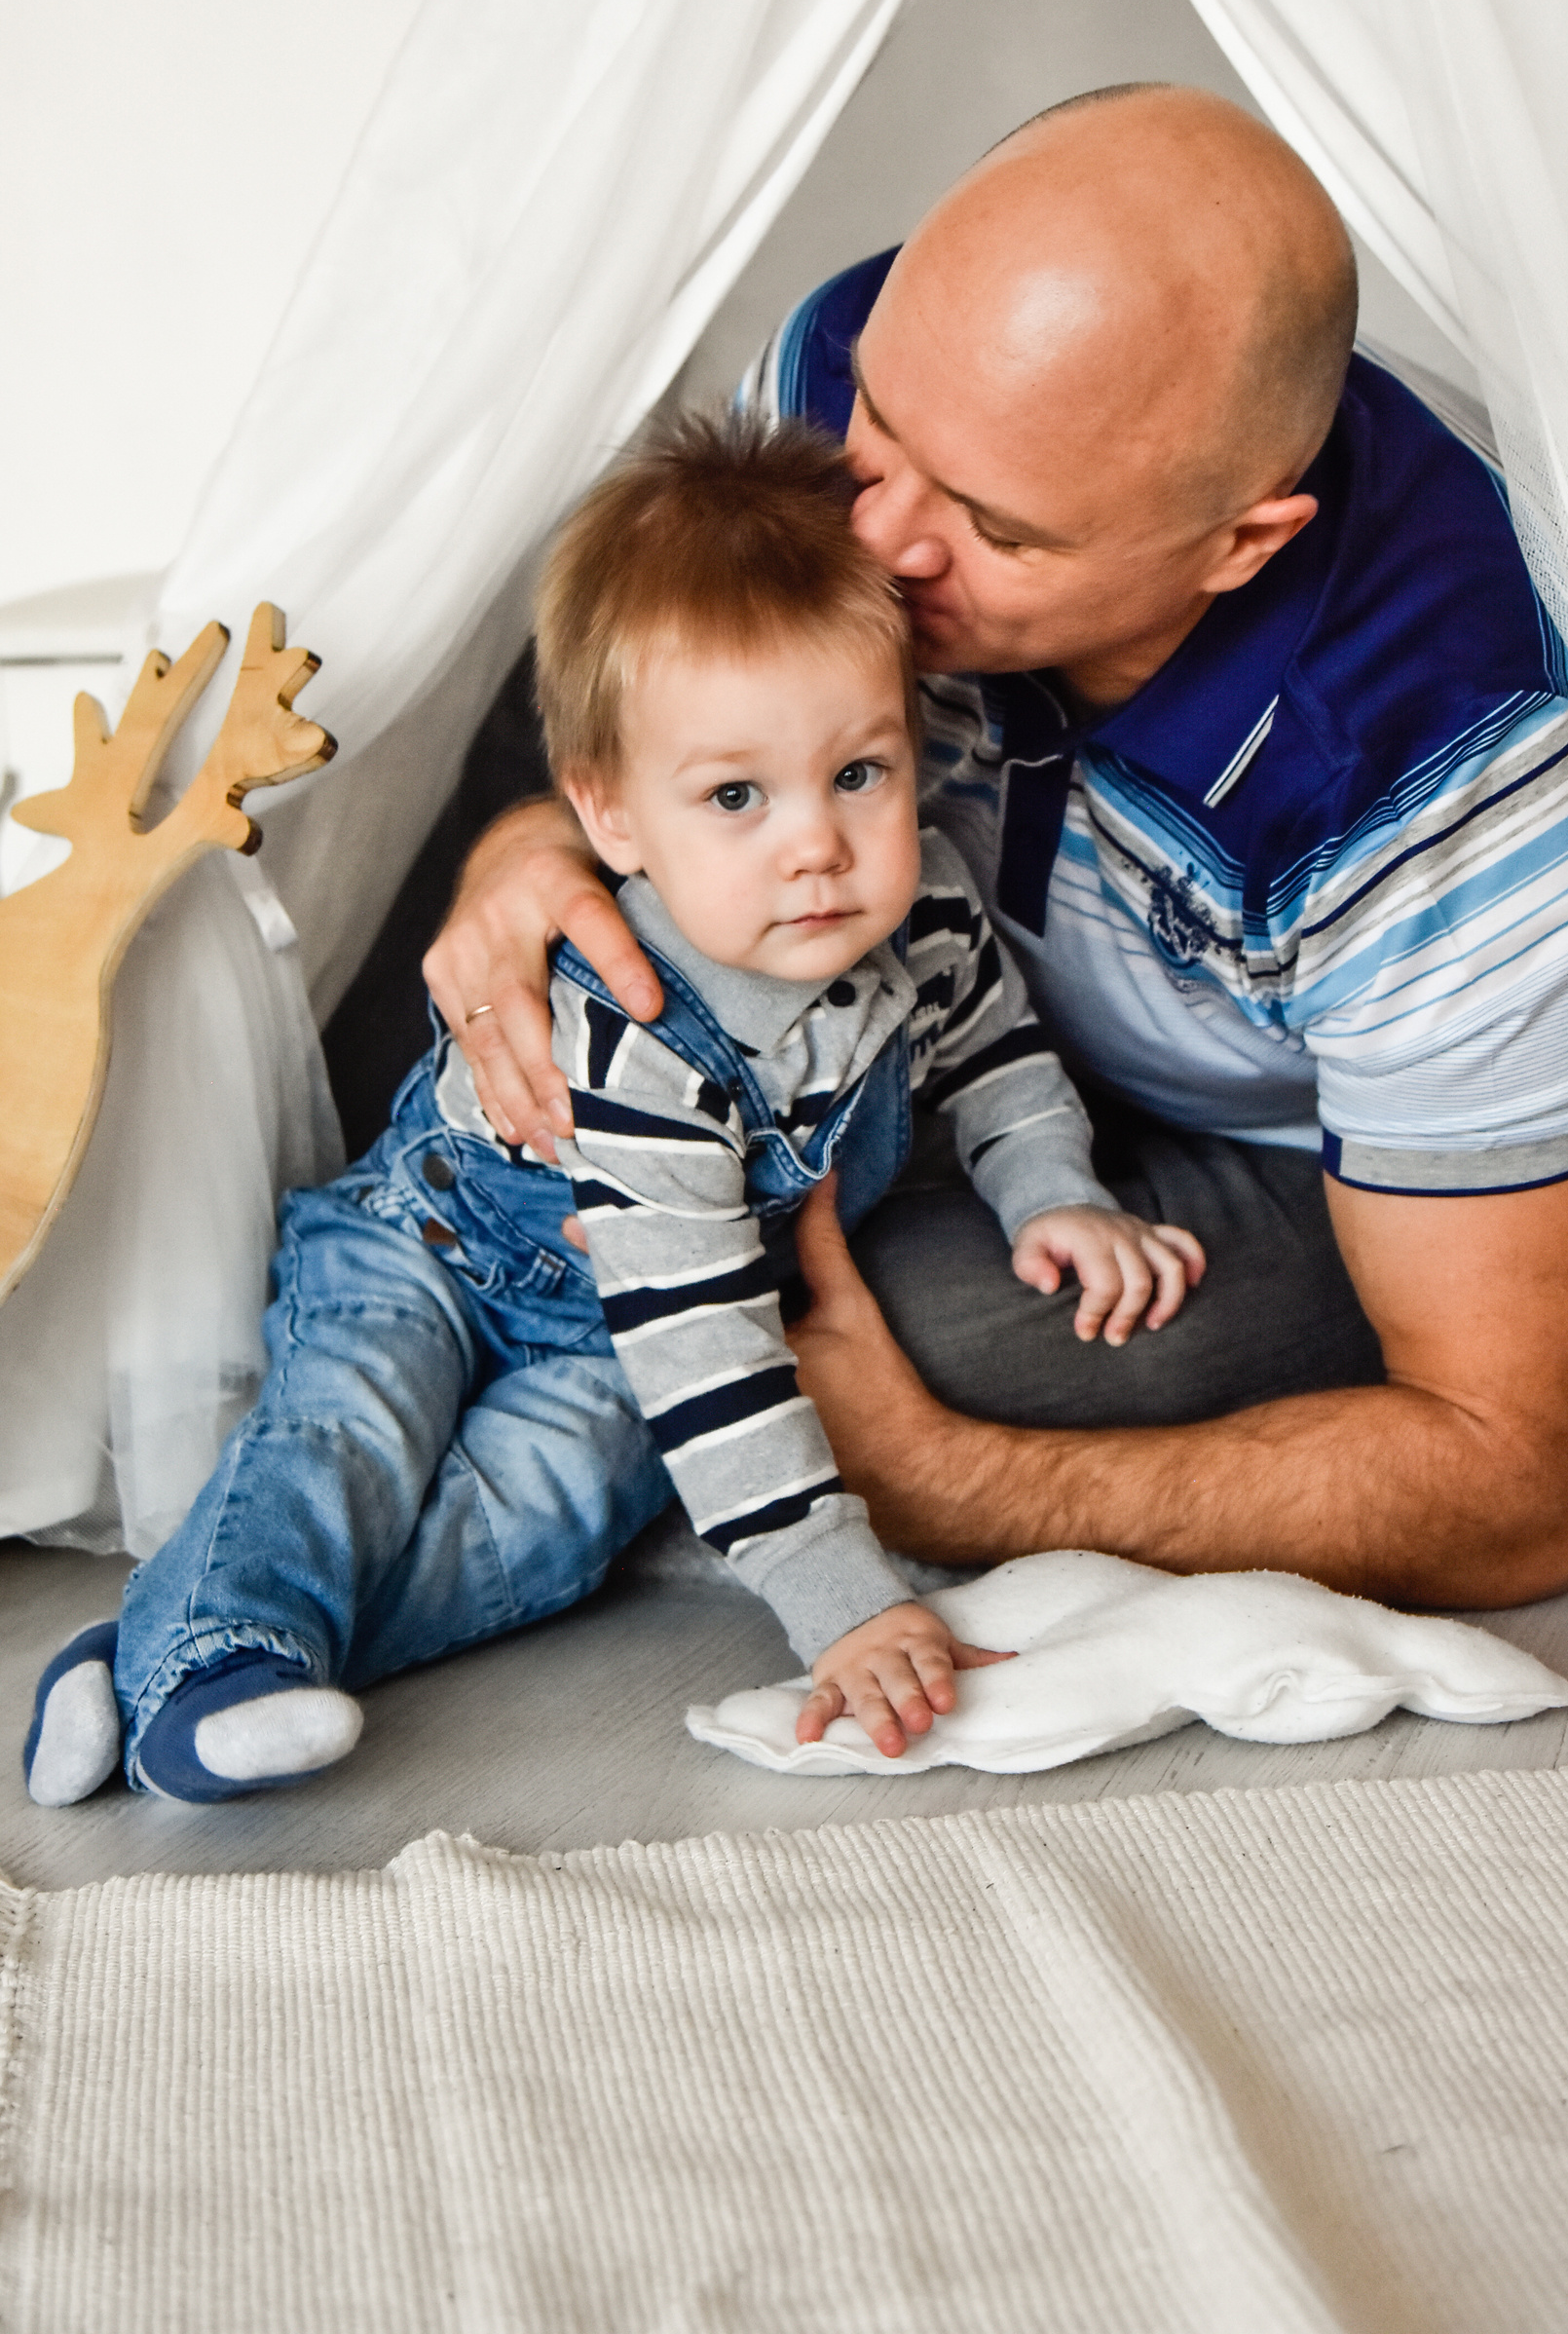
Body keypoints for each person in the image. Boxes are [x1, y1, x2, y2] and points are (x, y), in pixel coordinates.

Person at [426, 85, 1568, 1611]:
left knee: (856, 1323)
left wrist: (956, 1481)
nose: (869, 549)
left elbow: (1527, 1480)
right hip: (951, 1023)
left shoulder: (1450, 777)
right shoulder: (849, 384)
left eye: (1000, 533)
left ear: (1240, 545)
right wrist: (530, 848)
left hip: (1314, 1153)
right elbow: (683, 708)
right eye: (882, 431)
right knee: (470, 945)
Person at [24, 414, 1203, 1809]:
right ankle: (212, 1651)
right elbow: (710, 1337)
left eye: (858, 773)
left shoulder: (930, 907)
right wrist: (841, 1596)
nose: (816, 844)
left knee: (548, 1525)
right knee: (351, 1442)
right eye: (735, 797)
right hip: (431, 1250)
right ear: (615, 820)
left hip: (612, 1326)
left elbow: (995, 1053)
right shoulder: (637, 1035)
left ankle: (169, 1655)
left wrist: (1055, 1188)